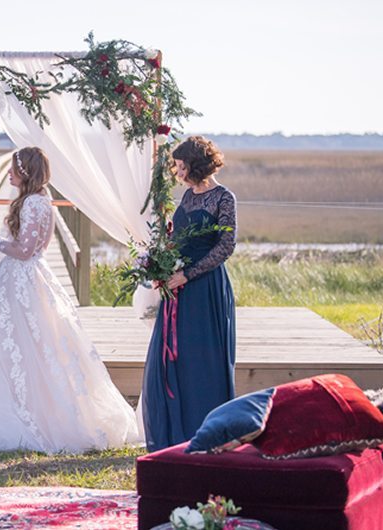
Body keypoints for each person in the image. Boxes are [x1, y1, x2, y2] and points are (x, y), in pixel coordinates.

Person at [0, 147, 142, 454]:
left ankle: (32, 415)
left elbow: (24, 250)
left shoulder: (33, 203)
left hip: (23, 278)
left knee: (29, 344)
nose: (9, 173)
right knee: (16, 345)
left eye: (13, 169)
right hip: (21, 277)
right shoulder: (38, 200)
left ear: (26, 171)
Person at [141, 135, 237, 451]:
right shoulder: (187, 196)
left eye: (182, 166)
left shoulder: (224, 198)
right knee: (172, 361)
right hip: (177, 289)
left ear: (196, 165)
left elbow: (226, 246)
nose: (178, 173)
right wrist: (162, 266)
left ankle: (206, 433)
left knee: (201, 361)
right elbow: (178, 238)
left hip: (205, 288)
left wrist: (187, 274)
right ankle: (175, 435)